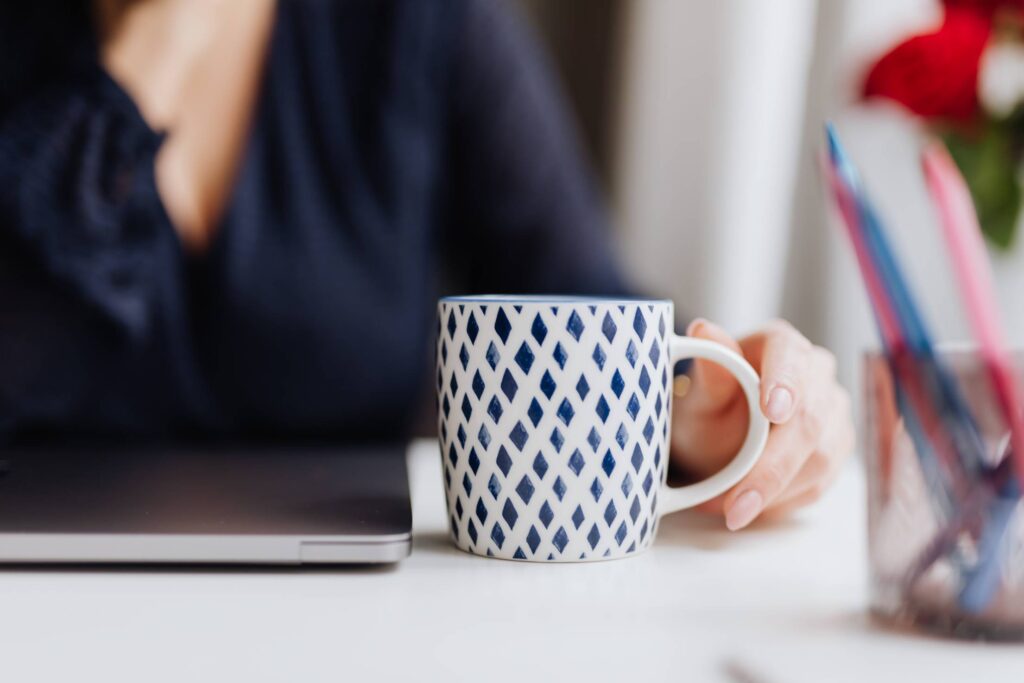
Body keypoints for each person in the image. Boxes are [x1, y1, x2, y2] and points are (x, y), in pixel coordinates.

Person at [0, 0, 853, 531]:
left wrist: (704, 419)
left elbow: (587, 310)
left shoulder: (415, 25)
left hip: (369, 624)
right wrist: (159, 43)